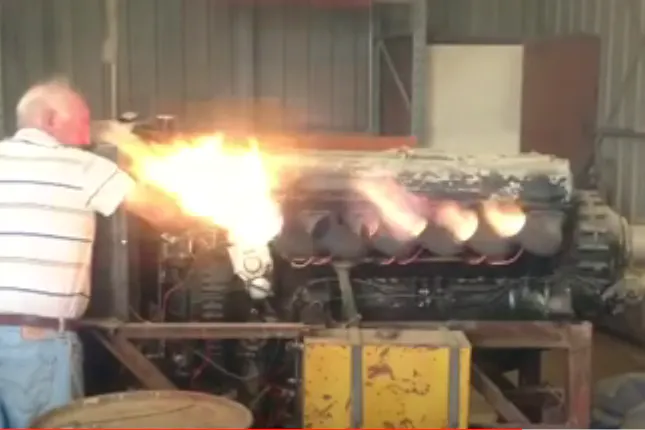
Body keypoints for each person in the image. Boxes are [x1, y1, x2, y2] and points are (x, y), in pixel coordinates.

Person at [0, 78, 171, 428]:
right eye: (81, 121)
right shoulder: (80, 165)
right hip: (36, 346)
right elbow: (161, 210)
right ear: (49, 119)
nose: (86, 134)